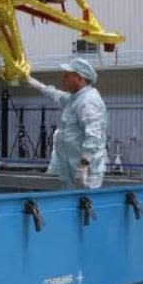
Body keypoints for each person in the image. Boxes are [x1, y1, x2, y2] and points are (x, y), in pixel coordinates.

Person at [25, 57, 108, 189]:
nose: (63, 79)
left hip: (86, 173)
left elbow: (93, 136)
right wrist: (36, 84)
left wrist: (83, 166)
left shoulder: (88, 101)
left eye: (67, 76)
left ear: (80, 78)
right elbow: (56, 95)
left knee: (85, 206)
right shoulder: (74, 99)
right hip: (72, 170)